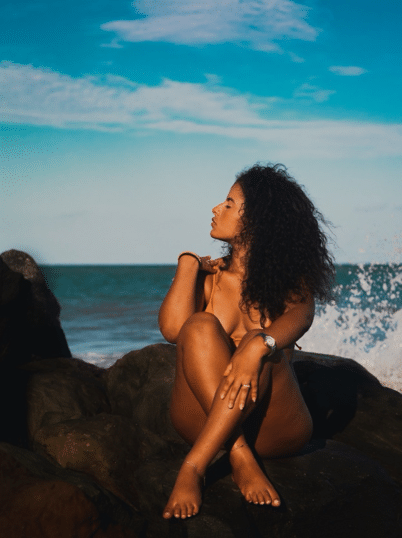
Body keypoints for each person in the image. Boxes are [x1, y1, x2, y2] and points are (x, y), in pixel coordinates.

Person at [158, 163, 335, 519]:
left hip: (273, 427)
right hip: (202, 422)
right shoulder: (208, 279)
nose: (215, 208)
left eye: (228, 203)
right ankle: (236, 454)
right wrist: (188, 264)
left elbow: (302, 318)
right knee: (199, 325)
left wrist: (257, 346)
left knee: (261, 342)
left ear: (257, 219)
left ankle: (195, 464)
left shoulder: (290, 286)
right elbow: (174, 330)